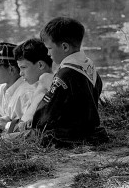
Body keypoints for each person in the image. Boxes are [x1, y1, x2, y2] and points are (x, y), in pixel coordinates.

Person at [33, 17, 108, 146]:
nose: (48, 53)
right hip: (91, 131)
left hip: (68, 136)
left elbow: (47, 114)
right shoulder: (88, 65)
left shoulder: (65, 74)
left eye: (49, 48)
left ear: (64, 47)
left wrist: (34, 122)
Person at [9, 38, 53, 132]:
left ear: (40, 65)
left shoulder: (46, 78)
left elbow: (62, 95)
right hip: (24, 135)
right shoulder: (37, 85)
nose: (21, 73)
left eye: (23, 67)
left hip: (31, 137)